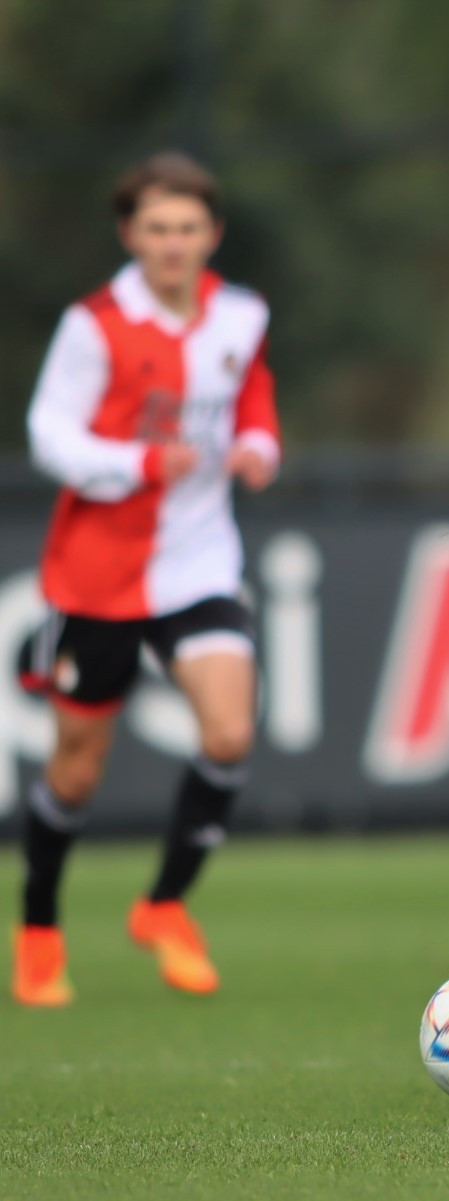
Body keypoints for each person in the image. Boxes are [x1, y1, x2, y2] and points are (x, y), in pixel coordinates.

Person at [13, 151, 280, 1006]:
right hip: (101, 574)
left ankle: (163, 905)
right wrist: (138, 460)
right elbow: (49, 434)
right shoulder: (94, 325)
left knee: (230, 731)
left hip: (200, 561)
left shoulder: (240, 315)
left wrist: (259, 449)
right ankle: (40, 927)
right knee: (77, 770)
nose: (173, 243)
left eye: (188, 227)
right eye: (157, 228)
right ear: (131, 235)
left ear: (213, 234)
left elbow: (255, 400)